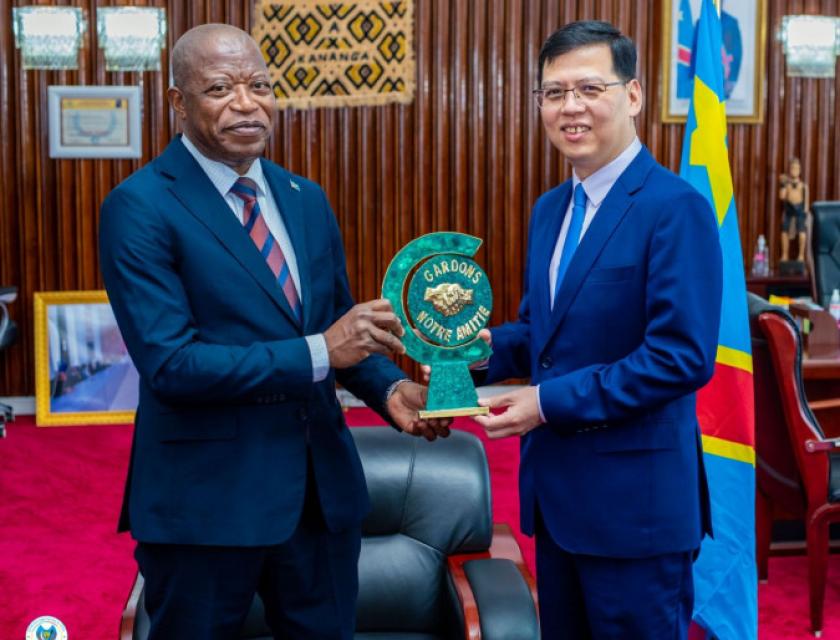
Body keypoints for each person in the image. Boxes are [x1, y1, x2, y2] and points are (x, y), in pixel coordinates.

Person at [99, 23, 448, 639]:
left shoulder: (303, 198)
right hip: (206, 508)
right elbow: (172, 364)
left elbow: (340, 332)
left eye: (259, 84)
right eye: (220, 88)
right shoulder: (139, 206)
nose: (246, 102)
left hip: (319, 500)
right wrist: (321, 350)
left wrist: (391, 392)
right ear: (178, 102)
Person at [473, 21, 723, 639]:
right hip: (558, 504)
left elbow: (680, 358)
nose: (570, 108)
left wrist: (544, 403)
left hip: (636, 514)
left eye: (589, 87)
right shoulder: (551, 209)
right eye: (553, 93)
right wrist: (474, 352)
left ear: (632, 96)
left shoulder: (675, 207)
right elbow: (545, 334)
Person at [779, 157, 809, 263]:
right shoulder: (786, 184)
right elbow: (782, 197)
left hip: (800, 211)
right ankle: (785, 255)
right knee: (784, 232)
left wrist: (805, 213)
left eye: (796, 168)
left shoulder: (803, 186)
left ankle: (801, 255)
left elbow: (806, 201)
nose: (794, 170)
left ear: (800, 170)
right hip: (788, 210)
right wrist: (782, 184)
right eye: (792, 168)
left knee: (802, 233)